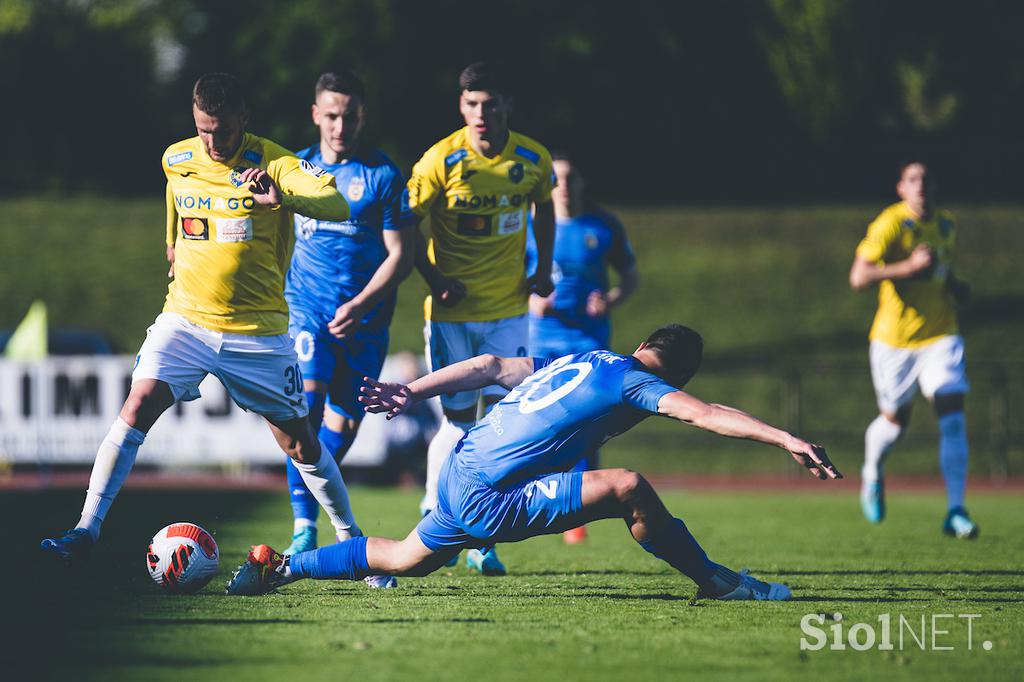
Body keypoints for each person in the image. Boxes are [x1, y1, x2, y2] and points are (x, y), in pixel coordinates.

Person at [225, 324, 842, 600]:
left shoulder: (597, 360)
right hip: (490, 493)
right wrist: (784, 437)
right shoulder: (637, 388)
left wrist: (411, 390)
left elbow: (492, 368)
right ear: (677, 375)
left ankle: (281, 568)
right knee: (629, 485)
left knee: (407, 558)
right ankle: (718, 583)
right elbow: (705, 413)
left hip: (464, 466)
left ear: (639, 348)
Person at [40, 73, 360, 563]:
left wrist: (283, 196)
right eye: (204, 129)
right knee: (137, 404)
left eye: (224, 131)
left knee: (300, 445)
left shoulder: (276, 162)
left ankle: (351, 540)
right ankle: (85, 530)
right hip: (186, 319)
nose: (213, 142)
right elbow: (175, 195)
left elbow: (337, 204)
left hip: (257, 331)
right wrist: (171, 241)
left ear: (244, 120)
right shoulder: (177, 157)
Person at [407, 61, 556, 575]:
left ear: (507, 105)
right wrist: (431, 278)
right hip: (453, 315)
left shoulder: (533, 159)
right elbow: (404, 224)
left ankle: (481, 536)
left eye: (489, 104)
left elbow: (545, 208)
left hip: (509, 310)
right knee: (456, 422)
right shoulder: (439, 161)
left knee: (499, 422)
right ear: (461, 107)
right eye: (471, 105)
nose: (480, 114)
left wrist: (542, 267)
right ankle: (433, 509)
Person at [280, 69, 415, 581]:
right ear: (316, 115)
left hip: (367, 322)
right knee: (304, 413)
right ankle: (307, 527)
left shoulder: (382, 175)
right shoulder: (295, 170)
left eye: (350, 116)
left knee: (345, 424)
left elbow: (401, 256)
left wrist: (360, 304)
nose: (340, 125)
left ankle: (329, 526)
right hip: (308, 314)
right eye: (332, 115)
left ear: (362, 117)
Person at [849, 160, 976, 538]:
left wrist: (955, 286)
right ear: (901, 188)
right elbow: (859, 277)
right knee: (895, 424)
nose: (920, 185)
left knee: (951, 412)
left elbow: (940, 270)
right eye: (912, 179)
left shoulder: (946, 224)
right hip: (894, 342)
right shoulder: (889, 223)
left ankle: (955, 509)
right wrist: (906, 268)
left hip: (941, 335)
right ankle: (873, 471)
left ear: (934, 187)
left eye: (926, 179)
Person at [526, 151, 639, 543]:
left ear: (582, 182)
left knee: (587, 423)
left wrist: (610, 298)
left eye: (570, 178)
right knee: (543, 421)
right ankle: (534, 500)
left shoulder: (602, 226)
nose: (564, 187)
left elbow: (630, 277)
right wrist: (531, 300)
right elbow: (508, 274)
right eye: (556, 179)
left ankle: (577, 512)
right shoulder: (531, 223)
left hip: (588, 340)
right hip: (542, 338)